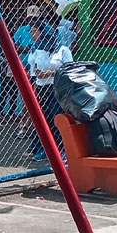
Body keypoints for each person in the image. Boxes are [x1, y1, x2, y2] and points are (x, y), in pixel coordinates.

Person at [27, 29, 73, 161]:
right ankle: (42, 148)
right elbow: (33, 65)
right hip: (42, 87)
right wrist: (38, 72)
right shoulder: (39, 48)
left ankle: (61, 149)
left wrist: (51, 73)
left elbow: (69, 70)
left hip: (57, 88)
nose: (47, 50)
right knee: (42, 117)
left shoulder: (63, 50)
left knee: (56, 117)